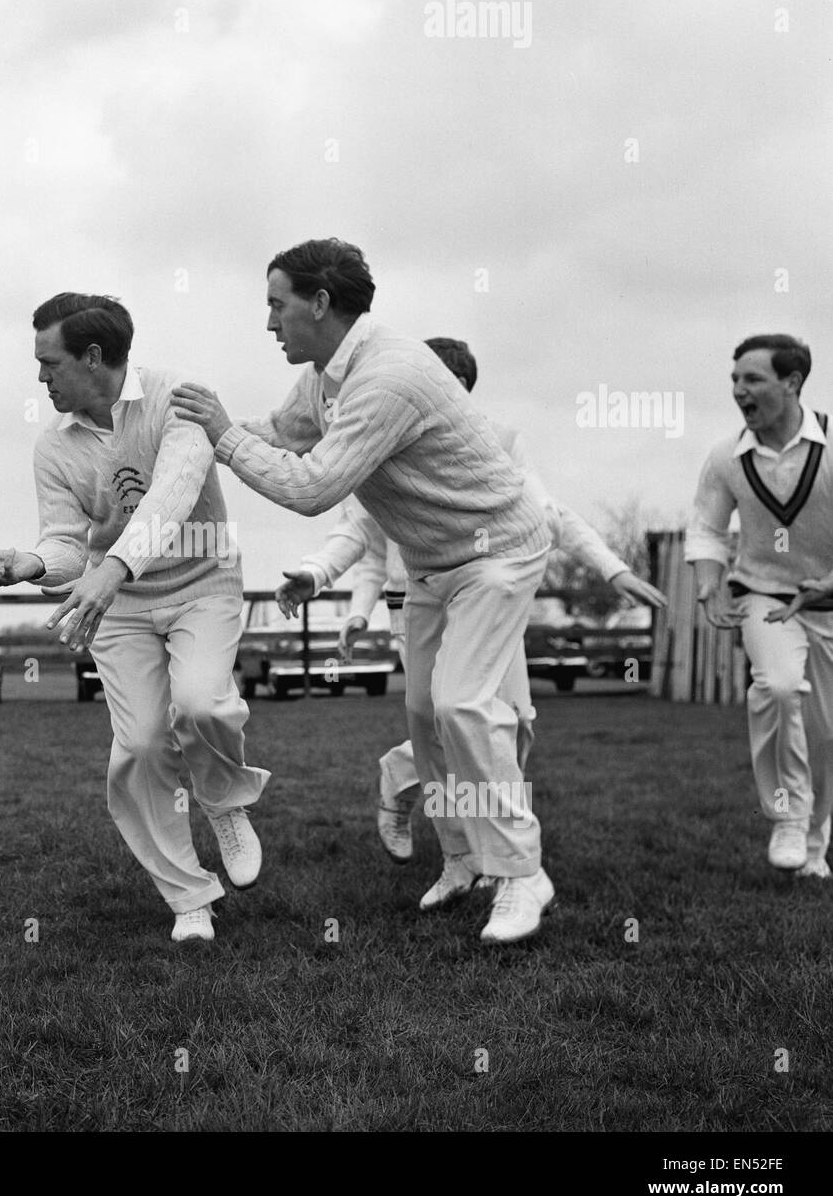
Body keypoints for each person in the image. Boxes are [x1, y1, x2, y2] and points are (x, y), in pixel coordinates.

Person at [171, 238, 555, 944]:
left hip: (497, 553)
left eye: (276, 306)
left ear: (319, 303)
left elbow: (314, 486)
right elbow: (280, 435)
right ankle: (464, 857)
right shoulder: (325, 375)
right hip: (436, 562)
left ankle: (523, 872)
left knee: (461, 703)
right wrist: (188, 435)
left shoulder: (390, 376)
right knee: (424, 716)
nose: (268, 324)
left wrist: (222, 436)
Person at [278, 338, 666, 866]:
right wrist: (339, 595)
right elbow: (359, 538)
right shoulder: (377, 425)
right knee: (457, 719)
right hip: (417, 597)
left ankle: (414, 784)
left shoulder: (496, 440)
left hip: (488, 590)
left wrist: (612, 567)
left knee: (514, 721)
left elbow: (549, 511)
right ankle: (479, 856)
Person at [0, 293, 268, 942]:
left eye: (49, 363)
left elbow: (173, 495)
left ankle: (224, 803)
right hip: (120, 607)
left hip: (202, 584)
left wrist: (111, 568)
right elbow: (66, 545)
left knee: (202, 706)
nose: (40, 378)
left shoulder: (178, 400)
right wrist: (28, 564)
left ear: (94, 357)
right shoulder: (53, 446)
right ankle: (188, 897)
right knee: (136, 749)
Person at [687, 334, 833, 878]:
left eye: (752, 379)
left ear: (792, 382)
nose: (738, 391)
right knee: (775, 686)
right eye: (734, 380)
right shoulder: (726, 456)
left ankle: (815, 851)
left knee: (827, 735)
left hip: (828, 603)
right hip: (765, 596)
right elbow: (704, 528)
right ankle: (788, 816)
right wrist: (710, 583)